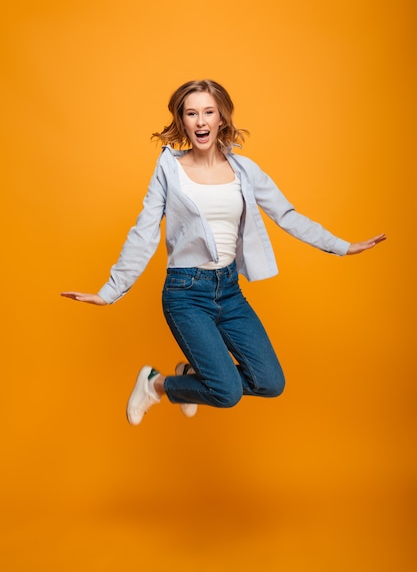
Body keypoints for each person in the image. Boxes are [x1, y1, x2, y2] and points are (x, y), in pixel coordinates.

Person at [61, 79, 386, 426]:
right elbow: (144, 231)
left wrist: (341, 246)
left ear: (221, 118)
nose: (200, 121)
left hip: (229, 291)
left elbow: (286, 215)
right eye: (191, 113)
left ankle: (189, 375)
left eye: (208, 112)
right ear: (182, 121)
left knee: (271, 382)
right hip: (186, 294)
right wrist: (110, 290)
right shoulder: (170, 169)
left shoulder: (244, 170)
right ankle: (154, 384)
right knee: (226, 392)